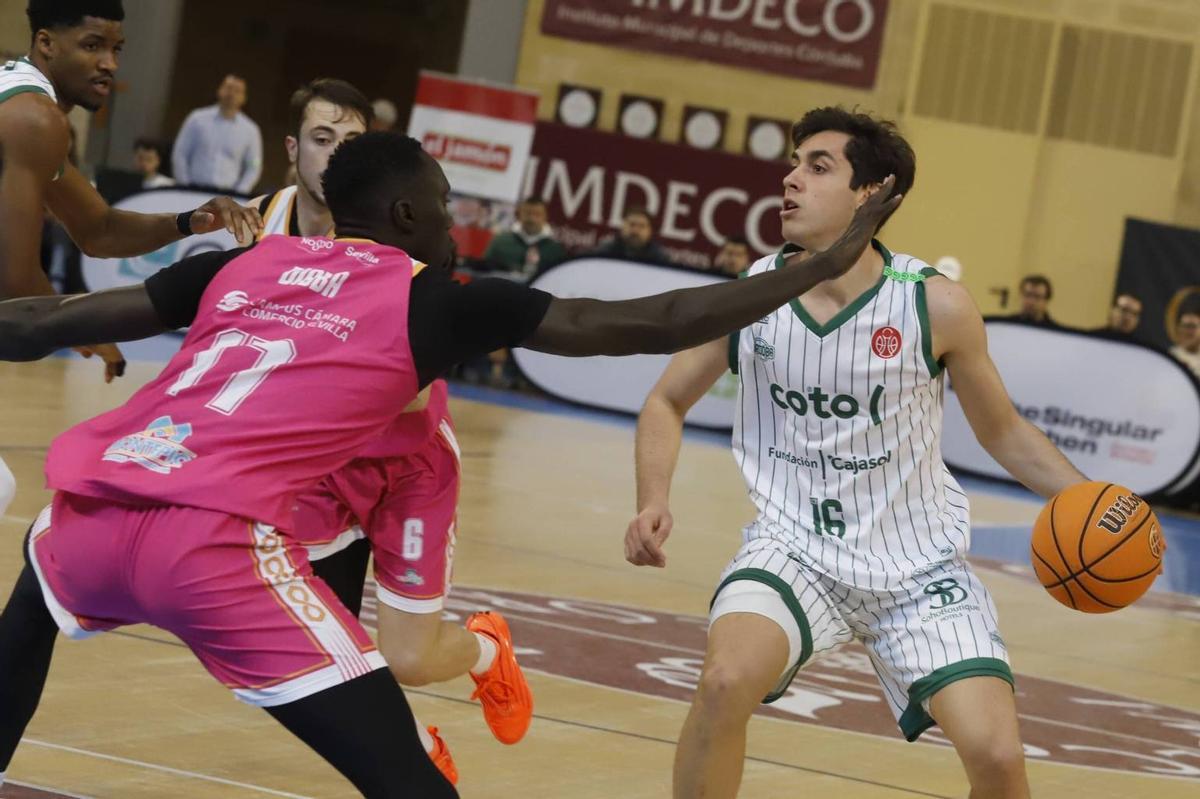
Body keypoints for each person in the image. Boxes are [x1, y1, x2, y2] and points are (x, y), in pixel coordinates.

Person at [0, 130, 899, 796]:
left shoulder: (242, 265)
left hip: (85, 515)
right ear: (405, 215)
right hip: (209, 547)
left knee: (26, 625)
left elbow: (43, 322)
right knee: (407, 782)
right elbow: (645, 324)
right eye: (441, 205)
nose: (452, 222)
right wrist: (817, 265)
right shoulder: (438, 296)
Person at [624, 107, 1097, 799]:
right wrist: (652, 498)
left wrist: (1092, 500)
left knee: (997, 757)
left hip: (917, 568)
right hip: (794, 551)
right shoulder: (748, 295)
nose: (790, 178)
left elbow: (1004, 433)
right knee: (725, 680)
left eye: (818, 167)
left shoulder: (934, 303)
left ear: (871, 193)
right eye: (793, 163)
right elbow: (665, 401)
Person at [248, 77, 520, 784]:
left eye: (350, 142)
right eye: (321, 138)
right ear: (292, 150)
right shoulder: (259, 225)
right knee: (309, 653)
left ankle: (488, 648)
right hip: (320, 466)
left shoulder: (400, 240)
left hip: (407, 466)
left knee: (409, 656)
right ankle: (418, 752)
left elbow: (411, 387)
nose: (335, 154)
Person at [0, 0, 259, 517]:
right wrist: (82, 327)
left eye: (116, 49)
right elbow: (17, 295)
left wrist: (188, 221)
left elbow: (98, 230)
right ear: (47, 43)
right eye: (93, 46)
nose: (110, 65)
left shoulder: (20, 99)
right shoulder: (34, 119)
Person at [172, 74, 263, 193]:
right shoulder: (197, 119)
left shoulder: (251, 130)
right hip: (193, 189)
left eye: (237, 91)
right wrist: (185, 187)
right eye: (228, 88)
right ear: (219, 91)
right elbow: (180, 154)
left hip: (227, 194)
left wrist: (239, 193)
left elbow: (254, 165)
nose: (231, 94)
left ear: (244, 98)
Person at [482, 197, 567, 280]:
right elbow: (484, 271)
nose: (531, 219)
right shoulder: (500, 241)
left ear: (545, 216)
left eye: (537, 214)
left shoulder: (555, 251)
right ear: (519, 214)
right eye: (527, 213)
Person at [588, 206, 671, 265]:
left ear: (650, 231)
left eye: (642, 226)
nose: (635, 230)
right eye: (632, 224)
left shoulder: (660, 259)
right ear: (622, 226)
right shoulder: (605, 250)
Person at [1170, 310, 1200, 378]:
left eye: (1193, 326)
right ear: (1178, 329)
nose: (1189, 331)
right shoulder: (1170, 358)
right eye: (1185, 326)